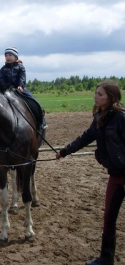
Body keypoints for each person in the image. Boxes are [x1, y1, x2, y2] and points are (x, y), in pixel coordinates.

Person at [56, 80, 125, 265]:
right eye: (95, 93)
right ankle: (106, 258)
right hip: (115, 176)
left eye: (100, 94)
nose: (96, 96)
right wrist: (64, 151)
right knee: (108, 217)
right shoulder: (99, 118)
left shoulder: (121, 118)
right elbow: (85, 138)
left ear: (111, 97)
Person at [0, 47, 47, 129]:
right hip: (7, 91)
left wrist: (20, 86)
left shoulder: (20, 67)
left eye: (10, 55)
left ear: (15, 57)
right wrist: (8, 88)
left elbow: (22, 78)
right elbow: (1, 81)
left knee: (34, 101)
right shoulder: (3, 69)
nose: (7, 57)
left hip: (20, 90)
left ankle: (41, 122)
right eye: (6, 55)